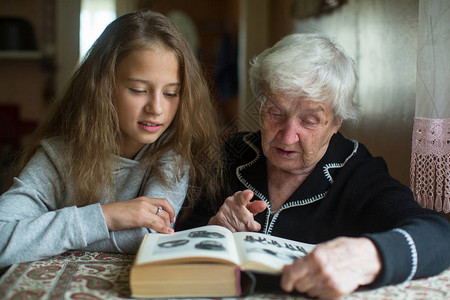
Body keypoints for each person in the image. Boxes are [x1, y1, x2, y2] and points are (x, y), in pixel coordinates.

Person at [181, 33, 450, 299]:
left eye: (309, 121)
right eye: (275, 113)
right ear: (261, 106)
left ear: (336, 123)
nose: (287, 136)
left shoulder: (355, 171)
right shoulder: (235, 153)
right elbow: (183, 237)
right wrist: (213, 229)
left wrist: (368, 256)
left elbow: (438, 237)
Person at [0, 10, 222, 269]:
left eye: (171, 93)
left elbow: (149, 236)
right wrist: (107, 217)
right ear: (103, 87)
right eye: (139, 90)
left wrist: (44, 233)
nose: (157, 108)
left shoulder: (172, 153)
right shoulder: (58, 156)